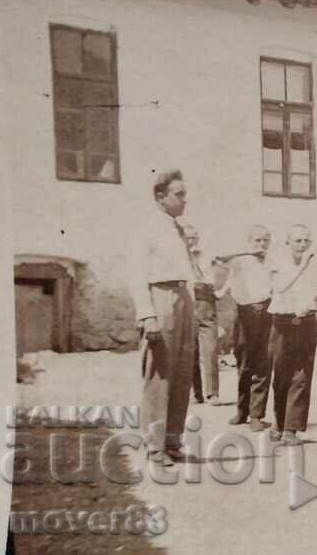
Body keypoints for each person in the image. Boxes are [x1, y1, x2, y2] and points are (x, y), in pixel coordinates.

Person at [126, 170, 197, 466]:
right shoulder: (147, 228)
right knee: (159, 374)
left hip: (183, 298)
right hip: (161, 297)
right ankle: (154, 446)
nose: (184, 200)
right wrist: (147, 314)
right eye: (178, 195)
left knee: (182, 372)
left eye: (184, 194)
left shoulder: (177, 229)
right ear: (160, 197)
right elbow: (135, 273)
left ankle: (172, 441)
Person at [266, 224, 317, 446]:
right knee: (281, 374)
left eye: (306, 241)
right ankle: (279, 423)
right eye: (298, 241)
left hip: (306, 323)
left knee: (301, 375)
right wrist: (302, 266)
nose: (303, 245)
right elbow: (280, 287)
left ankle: (291, 428)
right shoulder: (277, 263)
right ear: (288, 243)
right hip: (282, 323)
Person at [215, 224, 275, 430]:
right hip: (245, 314)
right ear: (249, 242)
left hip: (267, 312)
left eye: (266, 239)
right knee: (243, 361)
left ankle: (257, 414)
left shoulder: (273, 261)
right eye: (257, 240)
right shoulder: (240, 260)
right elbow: (219, 257)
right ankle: (242, 410)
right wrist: (247, 252)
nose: (262, 244)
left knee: (263, 362)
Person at [182, 222, 226, 407]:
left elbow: (228, 269)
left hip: (206, 301)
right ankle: (196, 393)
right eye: (187, 237)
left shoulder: (208, 256)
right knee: (189, 350)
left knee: (210, 349)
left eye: (194, 237)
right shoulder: (178, 257)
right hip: (186, 300)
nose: (191, 240)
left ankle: (212, 393)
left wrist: (222, 291)